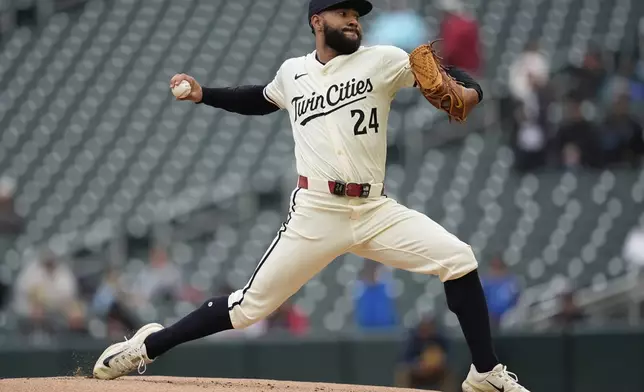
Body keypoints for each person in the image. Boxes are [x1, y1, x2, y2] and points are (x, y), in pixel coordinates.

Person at [93, 1, 530, 391]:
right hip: (317, 211)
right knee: (247, 309)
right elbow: (259, 98)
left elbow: (452, 76)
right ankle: (148, 345)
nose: (354, 21)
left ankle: (485, 373)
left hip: (374, 208)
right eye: (344, 13)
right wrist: (204, 94)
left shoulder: (385, 60)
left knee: (459, 259)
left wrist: (471, 89)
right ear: (317, 20)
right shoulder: (292, 73)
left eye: (357, 15)